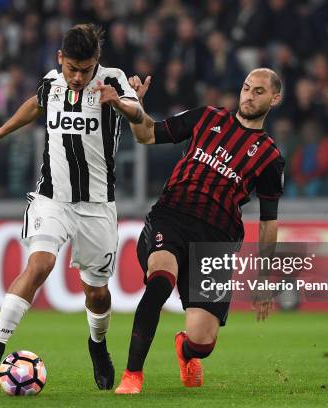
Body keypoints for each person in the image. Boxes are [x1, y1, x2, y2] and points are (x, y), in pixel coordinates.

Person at [0, 24, 146, 390]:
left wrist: (117, 101)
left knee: (96, 293)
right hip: (53, 198)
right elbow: (34, 105)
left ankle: (97, 345)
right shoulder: (52, 82)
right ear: (60, 60)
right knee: (40, 265)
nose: (79, 76)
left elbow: (138, 113)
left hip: (98, 206)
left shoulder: (113, 80)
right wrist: (2, 130)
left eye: (86, 69)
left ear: (96, 62)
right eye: (72, 68)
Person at [115, 68, 285, 394]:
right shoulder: (207, 117)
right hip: (172, 216)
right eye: (246, 87)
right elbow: (146, 134)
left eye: (259, 91)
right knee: (160, 280)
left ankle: (185, 350)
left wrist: (264, 278)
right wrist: (136, 108)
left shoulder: (270, 157)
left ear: (274, 98)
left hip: (216, 241)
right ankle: (132, 375)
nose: (249, 95)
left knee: (203, 341)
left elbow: (268, 222)